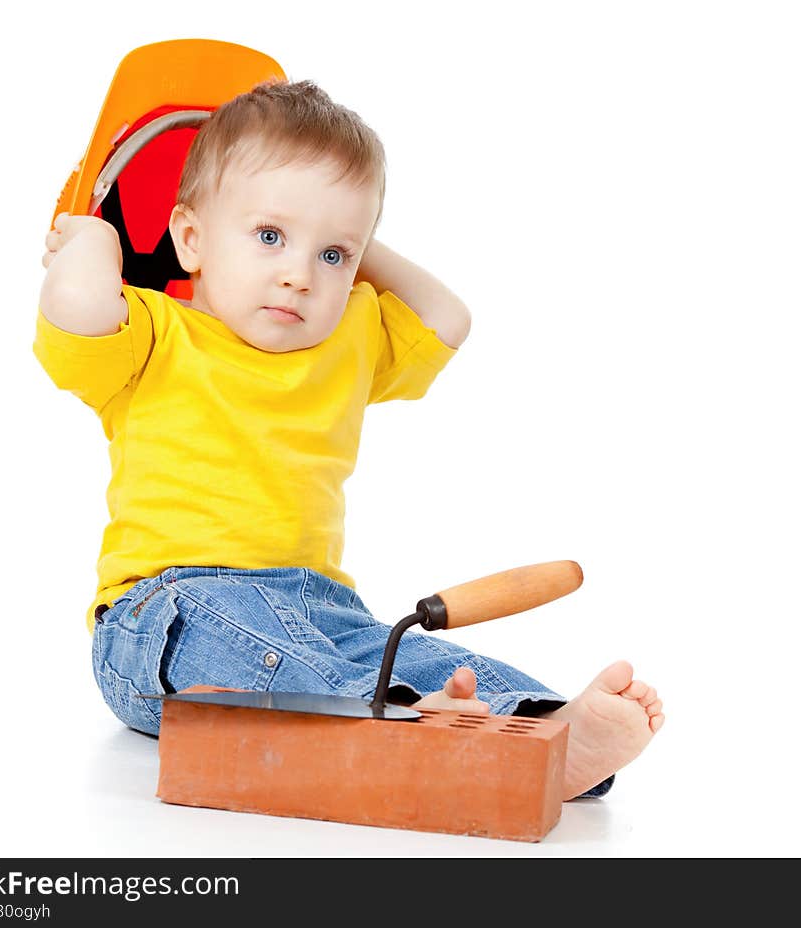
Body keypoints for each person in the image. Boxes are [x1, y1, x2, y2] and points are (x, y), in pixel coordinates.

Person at [33, 78, 663, 801]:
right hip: (165, 615)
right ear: (191, 238)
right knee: (260, 640)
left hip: (323, 607)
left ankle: (550, 735)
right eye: (270, 236)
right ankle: (412, 732)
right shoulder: (151, 333)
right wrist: (96, 236)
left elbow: (448, 318)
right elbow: (78, 304)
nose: (300, 275)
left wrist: (343, 231)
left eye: (333, 255)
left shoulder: (348, 335)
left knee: (413, 655)